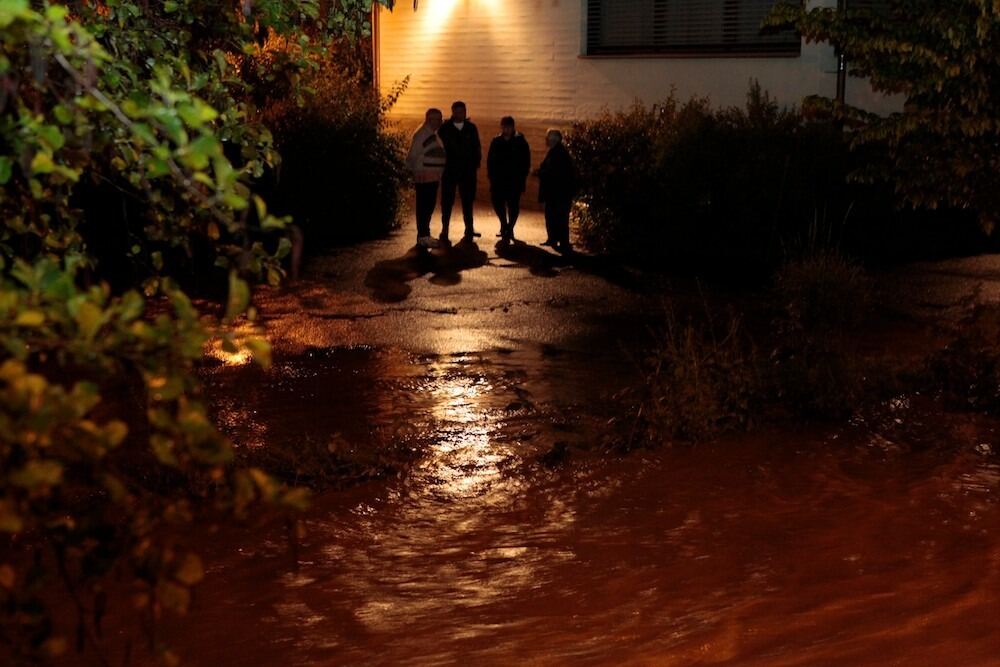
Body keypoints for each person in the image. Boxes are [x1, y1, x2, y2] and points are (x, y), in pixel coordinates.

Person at [437, 101, 482, 243]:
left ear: (465, 112)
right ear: (452, 112)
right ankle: (445, 228)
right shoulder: (445, 129)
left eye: (462, 111)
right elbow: (439, 149)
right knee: (447, 201)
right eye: (457, 112)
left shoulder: (471, 128)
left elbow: (477, 148)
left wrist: (475, 165)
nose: (459, 114)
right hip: (449, 170)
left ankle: (469, 227)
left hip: (467, 171)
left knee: (468, 200)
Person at [405, 108, 447, 249]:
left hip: (432, 177)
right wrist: (413, 171)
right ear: (428, 119)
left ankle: (425, 235)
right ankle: (423, 236)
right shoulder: (422, 134)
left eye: (440, 119)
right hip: (424, 177)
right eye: (435, 119)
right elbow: (412, 155)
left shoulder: (432, 134)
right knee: (424, 207)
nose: (439, 122)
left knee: (428, 207)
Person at [487, 116, 531, 244]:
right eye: (504, 127)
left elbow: (525, 160)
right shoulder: (496, 141)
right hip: (498, 179)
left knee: (513, 205)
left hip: (514, 179)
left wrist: (522, 176)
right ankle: (504, 224)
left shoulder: (520, 141)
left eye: (509, 127)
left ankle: (510, 227)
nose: (506, 129)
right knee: (497, 202)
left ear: (513, 127)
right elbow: (490, 160)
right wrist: (491, 176)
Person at [537, 129, 576, 253]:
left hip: (559, 192)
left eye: (553, 138)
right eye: (549, 137)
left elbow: (553, 172)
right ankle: (554, 239)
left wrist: (539, 173)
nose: (550, 140)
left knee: (559, 217)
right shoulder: (556, 151)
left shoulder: (559, 153)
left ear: (558, 139)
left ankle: (563, 243)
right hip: (557, 192)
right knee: (553, 216)